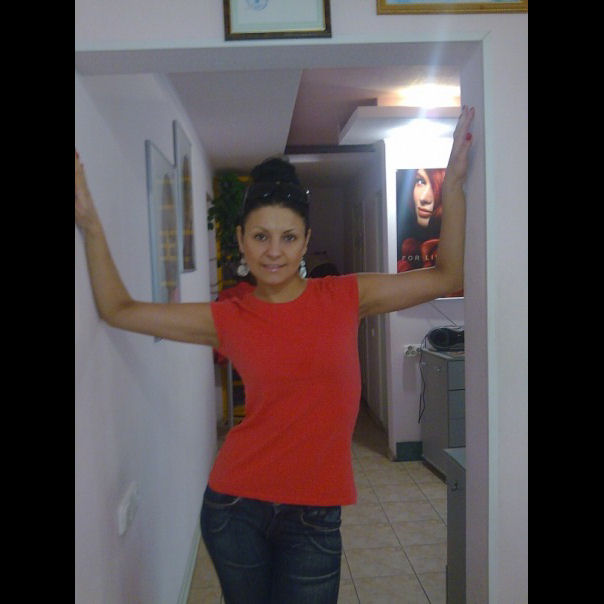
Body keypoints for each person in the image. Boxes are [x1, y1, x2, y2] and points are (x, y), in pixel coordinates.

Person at [75, 106, 474, 604]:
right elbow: (118, 309)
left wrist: (454, 183)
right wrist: (90, 223)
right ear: (241, 240)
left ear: (306, 241)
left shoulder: (345, 296)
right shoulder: (229, 316)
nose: (273, 251)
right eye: (260, 236)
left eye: (288, 237)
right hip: (236, 507)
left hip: (315, 514)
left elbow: (445, 276)